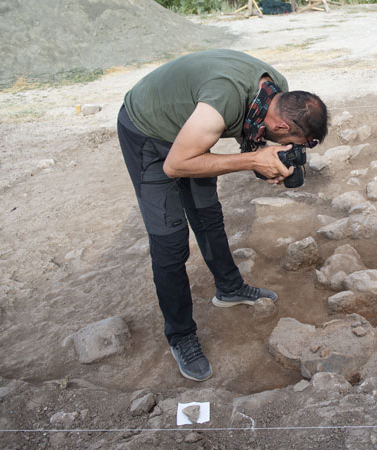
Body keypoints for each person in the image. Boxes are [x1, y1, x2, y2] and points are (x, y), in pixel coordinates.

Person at [117, 49, 328, 382]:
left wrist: (268, 161)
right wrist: (253, 161)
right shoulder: (222, 104)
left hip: (193, 127)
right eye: (288, 140)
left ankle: (229, 288)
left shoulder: (276, 92)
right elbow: (176, 165)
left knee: (207, 214)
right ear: (281, 124)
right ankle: (181, 335)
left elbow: (253, 137)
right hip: (149, 133)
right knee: (170, 242)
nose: (287, 146)